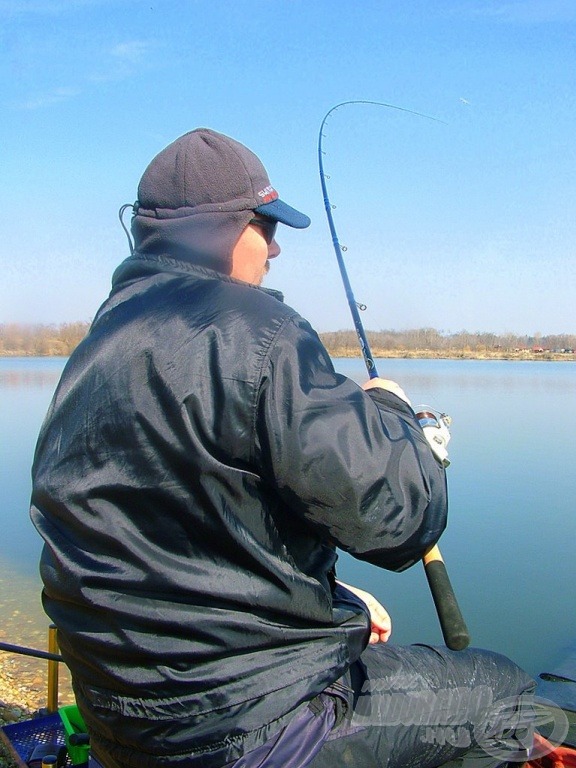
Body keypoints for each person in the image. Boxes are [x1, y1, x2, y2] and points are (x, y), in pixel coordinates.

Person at [31, 128, 535, 768]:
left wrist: (337, 596)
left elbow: (183, 535)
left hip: (122, 729)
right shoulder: (260, 331)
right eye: (264, 226)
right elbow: (402, 521)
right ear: (223, 230)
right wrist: (401, 421)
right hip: (250, 735)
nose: (273, 248)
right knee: (506, 695)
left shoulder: (96, 349)